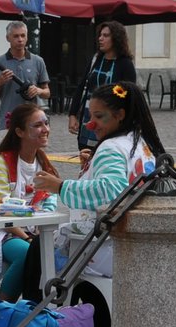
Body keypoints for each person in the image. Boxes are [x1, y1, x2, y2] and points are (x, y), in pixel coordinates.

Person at [33, 82, 162, 280]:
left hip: (105, 246)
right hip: (133, 241)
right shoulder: (139, 141)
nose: (91, 124)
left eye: (99, 116)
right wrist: (91, 169)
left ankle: (35, 309)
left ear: (120, 115)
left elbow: (111, 192)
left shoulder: (111, 147)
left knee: (37, 250)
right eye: (90, 116)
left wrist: (59, 186)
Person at [0, 103, 59, 301]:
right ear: (19, 132)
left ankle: (36, 307)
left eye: (46, 123)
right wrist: (26, 237)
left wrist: (40, 232)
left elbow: (50, 201)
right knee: (27, 253)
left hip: (37, 231)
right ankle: (3, 308)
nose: (45, 129)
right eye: (38, 125)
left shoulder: (43, 163)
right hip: (3, 231)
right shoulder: (2, 162)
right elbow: (1, 209)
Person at [68, 20, 137, 153]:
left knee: (105, 153)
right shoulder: (96, 59)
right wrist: (72, 114)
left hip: (110, 119)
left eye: (105, 36)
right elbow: (82, 86)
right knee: (86, 155)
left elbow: (129, 96)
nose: (100, 38)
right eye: (100, 35)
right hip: (89, 115)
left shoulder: (125, 64)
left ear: (116, 39)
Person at [0, 21, 52, 132]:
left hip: (33, 123)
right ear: (8, 38)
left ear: (27, 37)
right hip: (7, 123)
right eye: (16, 36)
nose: (20, 39)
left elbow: (47, 93)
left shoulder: (38, 61)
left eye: (23, 35)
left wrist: (38, 90)